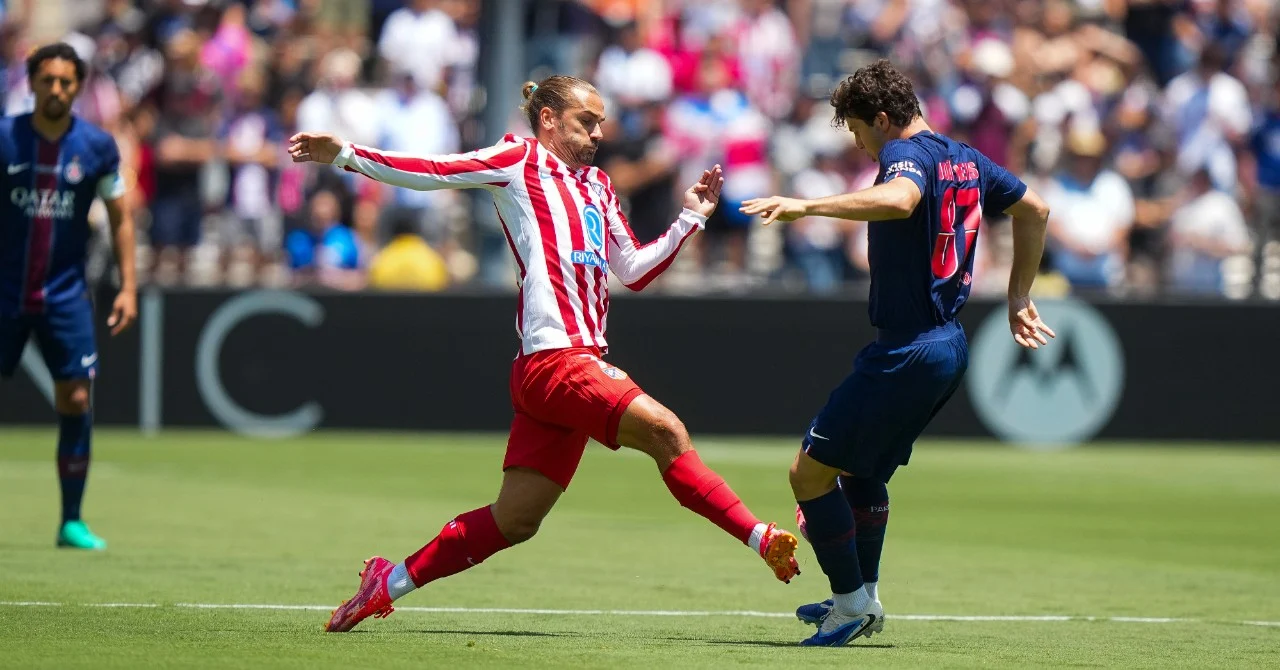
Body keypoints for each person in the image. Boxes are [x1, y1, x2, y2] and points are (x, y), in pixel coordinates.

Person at [288, 74, 801, 633]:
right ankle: (760, 537)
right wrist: (345, 154)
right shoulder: (518, 159)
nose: (599, 133)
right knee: (666, 431)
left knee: (516, 519)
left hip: (562, 369)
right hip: (558, 359)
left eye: (601, 123)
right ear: (550, 119)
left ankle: (386, 583)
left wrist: (690, 218)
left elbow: (633, 271)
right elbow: (433, 170)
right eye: (587, 121)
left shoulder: (599, 186)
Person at [741, 59, 1055, 647]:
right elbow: (1035, 208)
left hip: (908, 347)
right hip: (947, 343)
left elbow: (902, 198)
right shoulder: (965, 156)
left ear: (883, 120)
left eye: (859, 132)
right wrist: (1019, 296)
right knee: (860, 474)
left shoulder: (904, 155)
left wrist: (808, 206)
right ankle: (863, 596)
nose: (860, 145)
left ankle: (850, 604)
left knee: (808, 475)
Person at [0, 43, 137, 550]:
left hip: (65, 293)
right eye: (47, 80)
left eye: (65, 81)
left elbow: (121, 219)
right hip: (4, 290)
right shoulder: (5, 138)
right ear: (32, 83)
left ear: (78, 87)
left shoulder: (97, 146)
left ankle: (71, 521)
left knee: (76, 397)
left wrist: (128, 286)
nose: (56, 89)